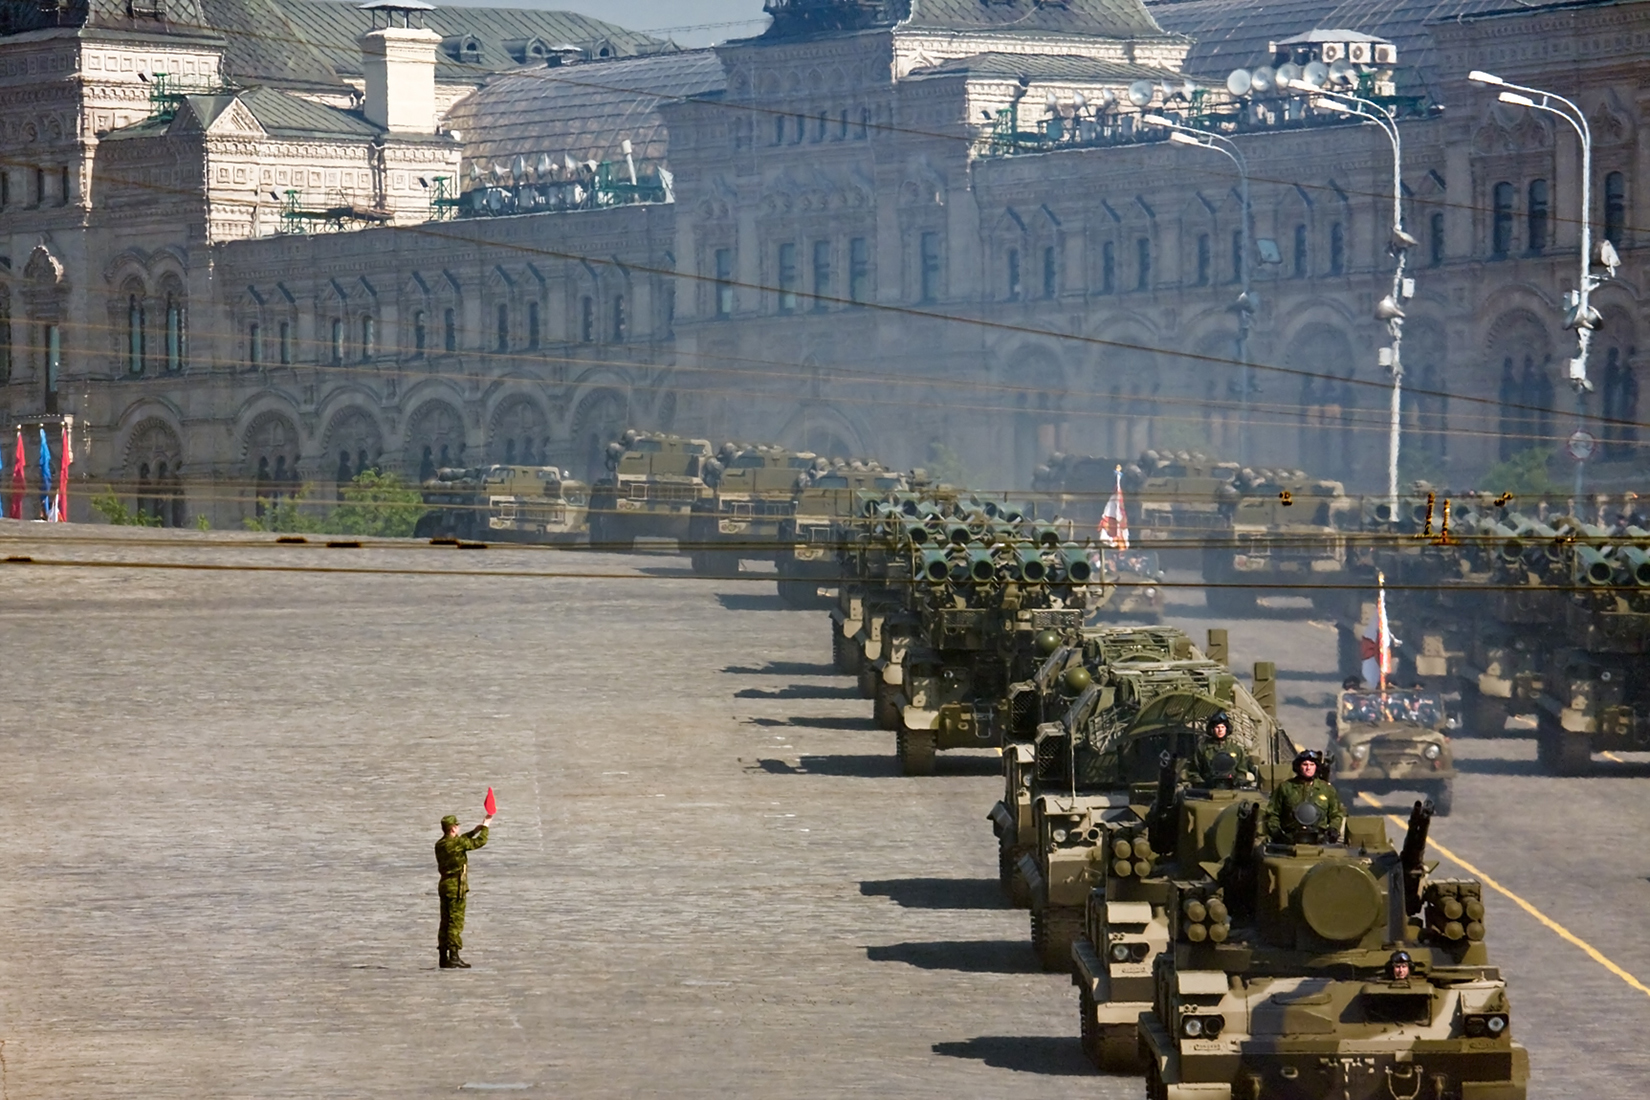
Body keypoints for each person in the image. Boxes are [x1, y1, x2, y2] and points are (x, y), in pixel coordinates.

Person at [435, 811, 492, 969]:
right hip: (456, 887)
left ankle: (443, 956)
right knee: (455, 922)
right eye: (457, 826)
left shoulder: (440, 844)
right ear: (453, 828)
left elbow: (460, 842)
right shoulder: (456, 844)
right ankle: (454, 956)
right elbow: (479, 843)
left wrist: (474, 831)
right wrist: (485, 827)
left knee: (445, 922)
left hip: (444, 884)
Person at [1262, 749, 1346, 843]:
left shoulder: (1326, 789)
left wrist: (1333, 829)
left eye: (1312, 765)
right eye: (1305, 764)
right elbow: (1272, 813)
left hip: (1320, 839)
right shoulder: (1286, 788)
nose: (1308, 768)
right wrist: (1276, 832)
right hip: (1289, 839)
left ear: (1316, 767)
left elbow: (1336, 814)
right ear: (1298, 767)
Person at [1186, 711, 1254, 788]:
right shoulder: (1203, 749)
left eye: (1222, 727)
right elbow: (1193, 771)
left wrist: (1237, 781)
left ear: (1226, 729)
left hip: (1232, 789)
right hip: (1208, 789)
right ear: (1212, 729)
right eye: (1217, 727)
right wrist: (1201, 783)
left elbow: (1242, 771)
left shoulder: (1236, 749)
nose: (1220, 730)